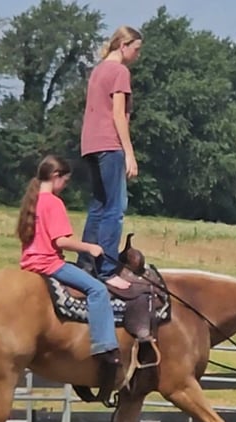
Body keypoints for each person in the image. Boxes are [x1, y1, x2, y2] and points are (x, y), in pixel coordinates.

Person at [17, 155, 121, 364]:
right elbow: (61, 241)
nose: (65, 186)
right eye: (65, 181)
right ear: (56, 176)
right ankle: (104, 345)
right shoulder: (53, 203)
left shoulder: (33, 200)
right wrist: (90, 247)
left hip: (29, 263)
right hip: (49, 264)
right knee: (98, 290)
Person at [77, 25, 143, 290]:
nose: (138, 55)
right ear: (123, 46)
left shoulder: (98, 70)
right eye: (136, 49)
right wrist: (129, 153)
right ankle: (106, 269)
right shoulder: (119, 71)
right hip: (109, 144)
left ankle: (85, 262)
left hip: (90, 143)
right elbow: (118, 115)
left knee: (98, 206)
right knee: (115, 209)